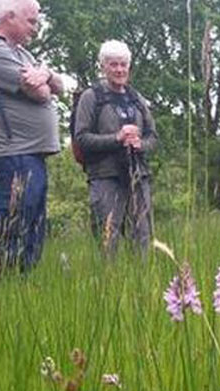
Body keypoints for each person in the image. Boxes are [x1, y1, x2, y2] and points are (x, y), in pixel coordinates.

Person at [0, 0, 64, 272]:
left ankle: (23, 289)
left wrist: (45, 73)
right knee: (11, 230)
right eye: (31, 21)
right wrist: (44, 80)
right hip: (10, 157)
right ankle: (3, 293)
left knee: (32, 228)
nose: (36, 29)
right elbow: (40, 93)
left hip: (29, 156)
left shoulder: (21, 53)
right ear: (9, 17)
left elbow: (57, 85)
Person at [73, 40, 158, 256]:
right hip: (104, 177)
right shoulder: (91, 97)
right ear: (103, 66)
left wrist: (140, 144)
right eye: (113, 64)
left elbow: (153, 137)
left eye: (123, 64)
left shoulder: (136, 98)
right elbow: (81, 138)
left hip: (138, 175)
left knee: (142, 238)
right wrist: (117, 138)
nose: (119, 70)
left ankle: (143, 284)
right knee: (107, 239)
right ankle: (107, 284)